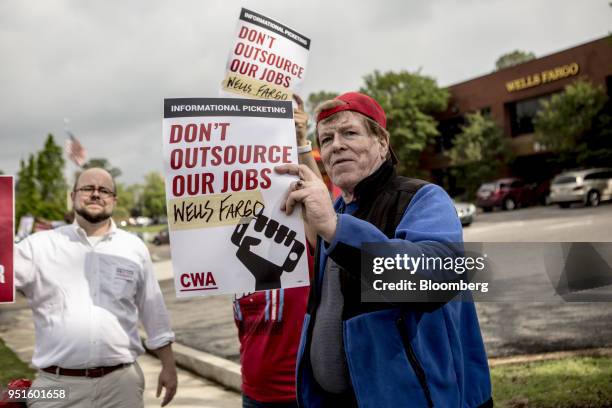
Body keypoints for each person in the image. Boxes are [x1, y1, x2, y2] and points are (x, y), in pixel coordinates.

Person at [275, 92, 492, 407]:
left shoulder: (423, 198)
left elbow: (434, 280)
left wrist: (337, 230)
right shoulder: (335, 210)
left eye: (350, 133)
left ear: (382, 142)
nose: (336, 145)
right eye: (327, 138)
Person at [14, 167, 177, 408]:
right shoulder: (36, 247)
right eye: (88, 188)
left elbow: (153, 310)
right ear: (73, 196)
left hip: (122, 385)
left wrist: (169, 366)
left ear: (114, 200)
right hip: (55, 387)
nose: (96, 194)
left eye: (104, 190)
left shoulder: (133, 247)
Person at [233, 95, 320, 408]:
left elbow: (326, 207)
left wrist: (299, 142)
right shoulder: (235, 238)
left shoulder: (299, 218)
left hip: (304, 394)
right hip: (253, 394)